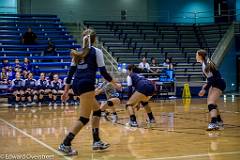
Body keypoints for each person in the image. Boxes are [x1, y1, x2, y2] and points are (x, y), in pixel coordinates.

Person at [58, 29, 121, 155]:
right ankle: (65, 143)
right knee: (84, 118)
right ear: (94, 39)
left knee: (97, 110)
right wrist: (116, 84)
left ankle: (96, 141)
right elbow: (103, 73)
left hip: (76, 85)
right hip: (86, 85)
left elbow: (70, 74)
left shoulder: (78, 52)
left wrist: (66, 91)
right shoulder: (96, 51)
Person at [196, 49, 226, 131]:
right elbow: (211, 78)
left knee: (211, 103)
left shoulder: (206, 64)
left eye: (196, 54)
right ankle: (219, 121)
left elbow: (212, 78)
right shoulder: (205, 63)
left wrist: (204, 89)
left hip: (218, 83)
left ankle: (214, 123)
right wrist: (206, 85)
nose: (196, 56)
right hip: (216, 83)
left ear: (200, 56)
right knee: (212, 103)